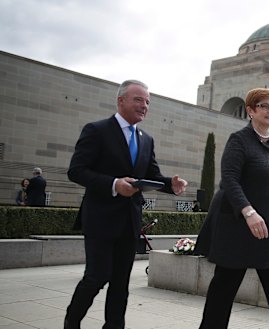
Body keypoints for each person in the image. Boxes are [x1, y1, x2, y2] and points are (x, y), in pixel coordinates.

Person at [64, 79, 188, 329]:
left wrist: (170, 185)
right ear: (121, 101)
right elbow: (76, 171)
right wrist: (113, 183)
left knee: (120, 283)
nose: (144, 106)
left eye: (148, 102)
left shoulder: (146, 139)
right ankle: (71, 322)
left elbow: (150, 176)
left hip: (129, 222)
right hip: (100, 219)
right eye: (139, 100)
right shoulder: (96, 130)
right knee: (96, 277)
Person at [194, 88, 269, 328]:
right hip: (239, 231)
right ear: (251, 111)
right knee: (223, 291)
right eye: (264, 106)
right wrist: (249, 212)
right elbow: (229, 181)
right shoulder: (239, 140)